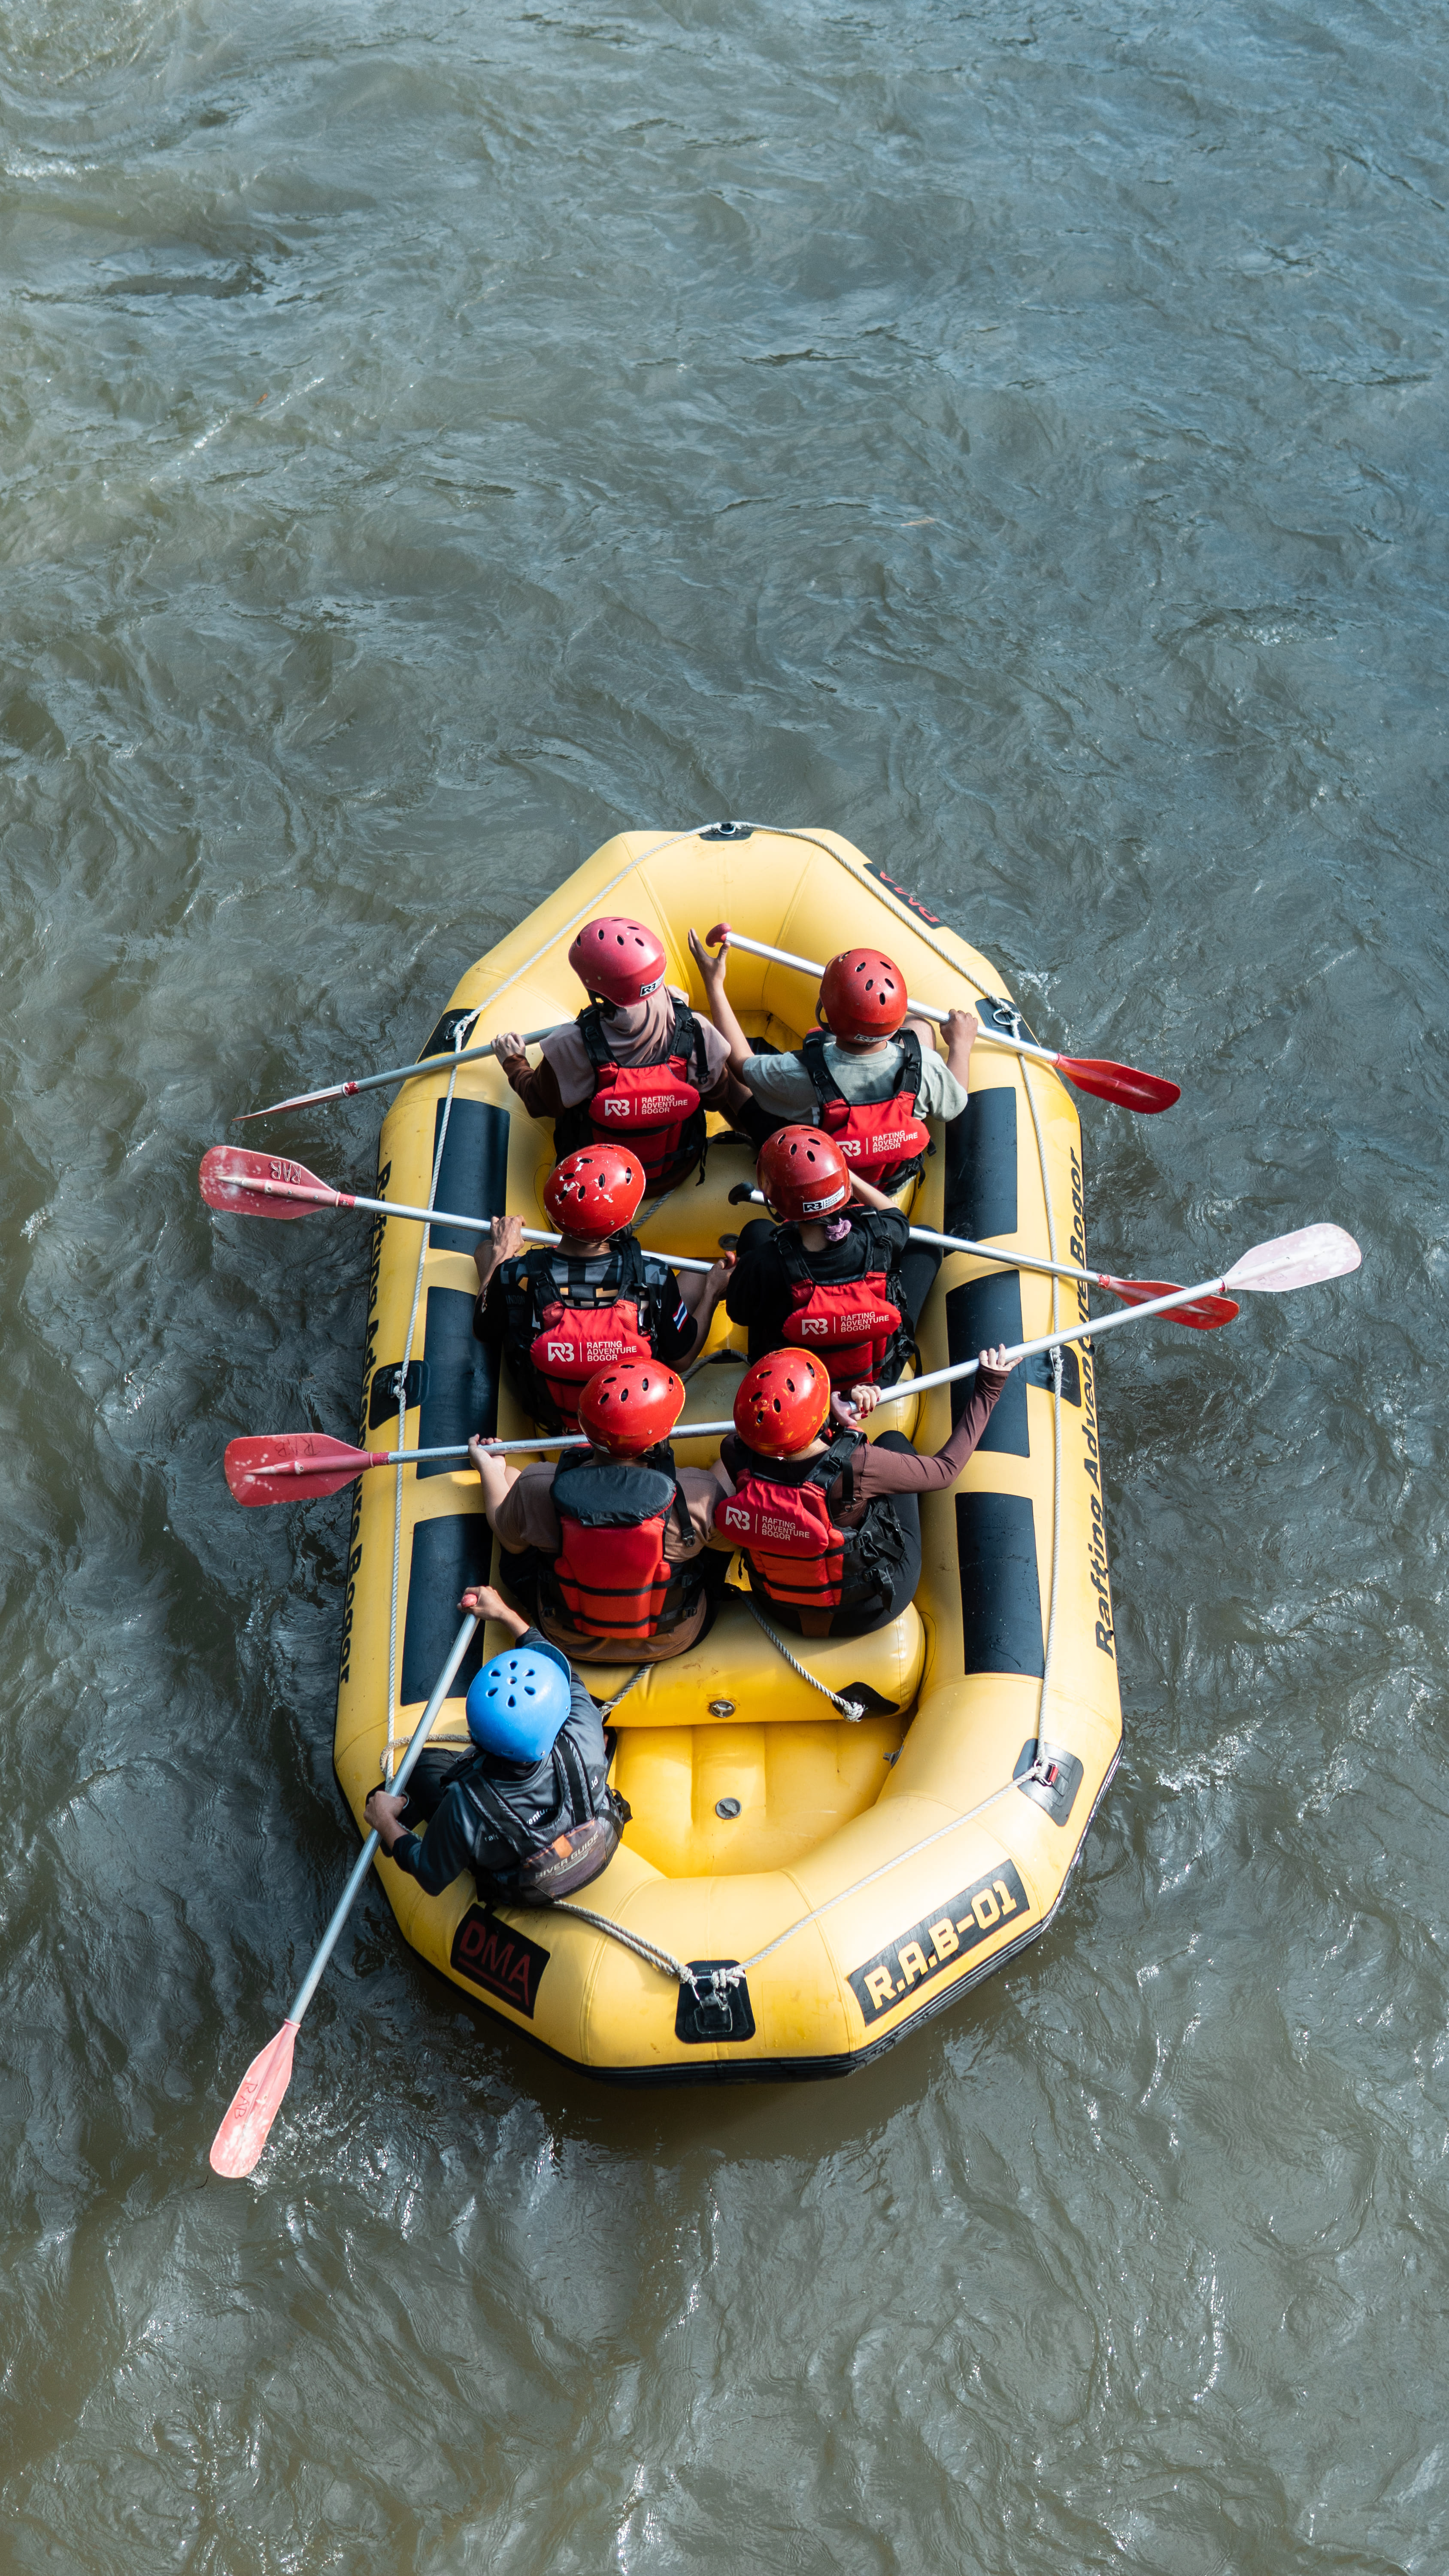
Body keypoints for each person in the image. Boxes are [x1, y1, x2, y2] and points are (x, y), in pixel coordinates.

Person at [710, 1345, 1015, 1640]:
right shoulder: (859, 1464)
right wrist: (988, 1390)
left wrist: (833, 1415)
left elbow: (790, 1462)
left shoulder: (735, 1454)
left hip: (779, 1607)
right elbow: (945, 1471)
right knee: (894, 1441)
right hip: (863, 1612)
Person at [364, 1585, 628, 1905]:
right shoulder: (583, 1724)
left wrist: (385, 1822)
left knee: (422, 1768)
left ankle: (398, 1810)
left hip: (523, 1877)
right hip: (598, 1838)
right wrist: (505, 1613)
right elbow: (554, 1664)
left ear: (475, 1738)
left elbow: (430, 1876)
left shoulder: (464, 1807)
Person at [468, 1359, 724, 1665]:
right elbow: (729, 1545)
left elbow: (509, 1540)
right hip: (674, 1640)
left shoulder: (536, 1485)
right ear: (660, 1436)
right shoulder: (698, 1492)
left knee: (512, 1478)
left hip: (566, 1638)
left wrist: (489, 1467)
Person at [688, 927, 979, 1194]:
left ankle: (748, 1135)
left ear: (825, 1012)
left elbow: (741, 1063)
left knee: (719, 1058)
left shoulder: (798, 1074)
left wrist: (714, 984)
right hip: (889, 1184)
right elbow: (955, 1102)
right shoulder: (926, 1067)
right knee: (921, 1027)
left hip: (821, 1181)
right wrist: (961, 1046)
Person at [472, 1143, 732, 1433]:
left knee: (485, 1252)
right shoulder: (653, 1275)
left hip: (555, 1419)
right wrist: (712, 1292)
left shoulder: (516, 1273)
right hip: (628, 1425)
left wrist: (502, 1254)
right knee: (699, 1272)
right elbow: (681, 1360)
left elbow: (484, 1329)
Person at [492, 914, 747, 1196]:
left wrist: (514, 1062)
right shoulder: (697, 1030)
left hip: (603, 1181)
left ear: (597, 994)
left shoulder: (572, 1044)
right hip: (676, 1169)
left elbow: (538, 1102)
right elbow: (716, 1099)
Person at [724, 1125, 942, 1391]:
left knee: (756, 1231)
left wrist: (723, 1284)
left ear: (777, 1203)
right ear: (843, 1186)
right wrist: (843, 1175)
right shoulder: (879, 1237)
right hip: (876, 1378)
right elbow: (897, 1217)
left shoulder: (763, 1263)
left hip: (798, 1389)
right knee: (927, 1240)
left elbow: (739, 1314)